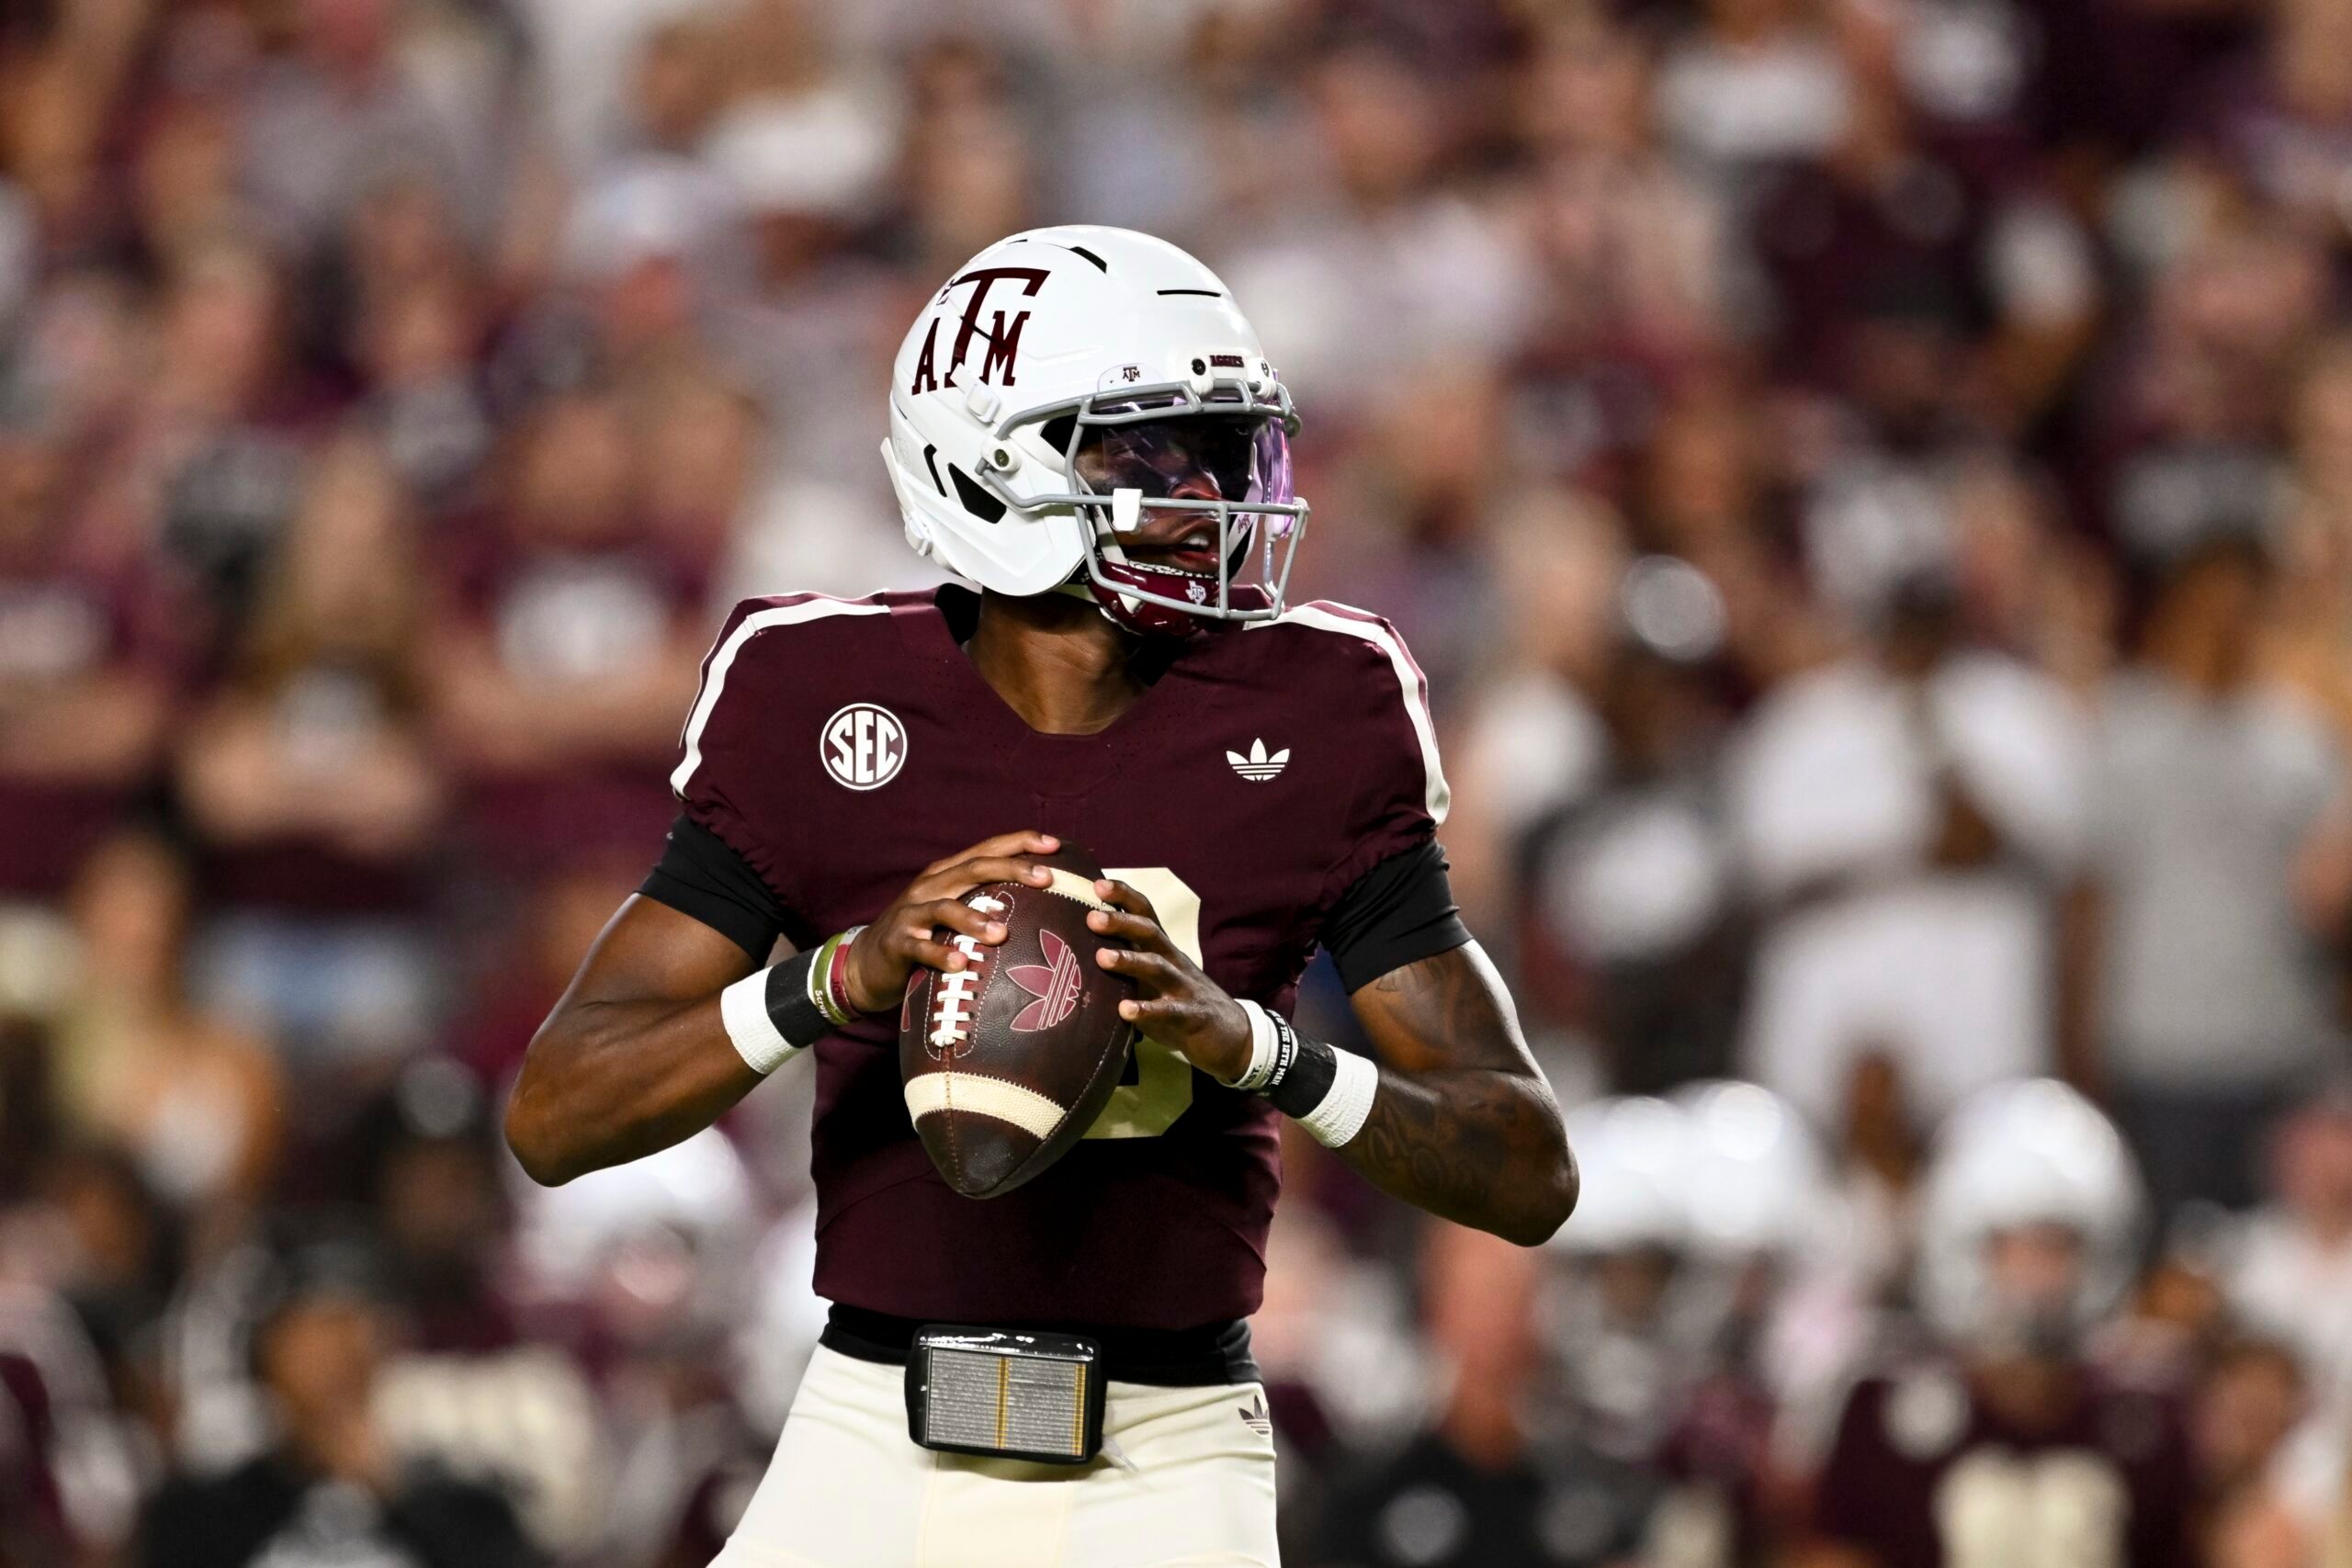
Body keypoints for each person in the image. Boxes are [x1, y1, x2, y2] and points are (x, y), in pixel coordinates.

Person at [503, 224, 1577, 1565]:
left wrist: (1261, 1047)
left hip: (1166, 1449)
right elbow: (557, 1111)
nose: (1209, 492)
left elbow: (1527, 1163)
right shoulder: (815, 690)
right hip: (870, 1425)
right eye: (1149, 452)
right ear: (988, 462)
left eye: (1222, 447)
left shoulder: (1323, 704)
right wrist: (833, 977)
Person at [1797, 1078, 2194, 1568]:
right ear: (1963, 1251)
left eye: (2054, 1248)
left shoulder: (2147, 1418)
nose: (2032, 1277)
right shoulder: (1882, 1408)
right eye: (2011, 1248)